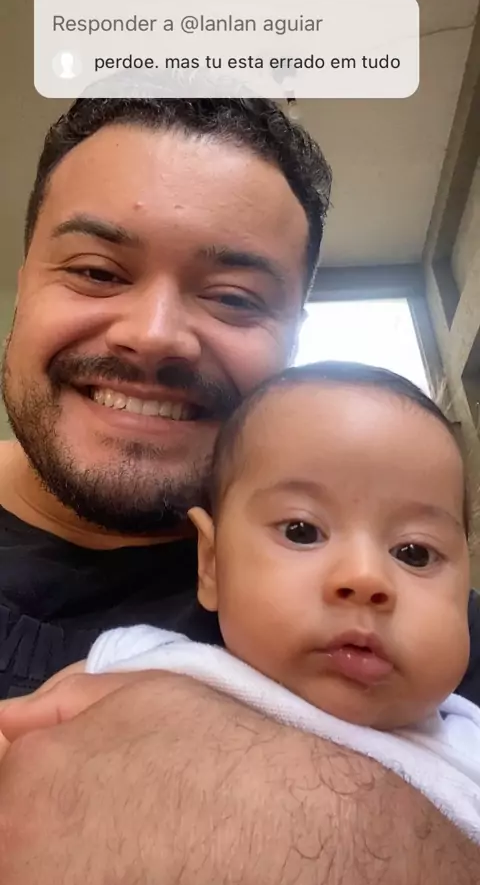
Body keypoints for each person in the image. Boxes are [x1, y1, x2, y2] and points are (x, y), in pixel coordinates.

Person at [0, 97, 479, 885]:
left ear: (294, 337)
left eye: (232, 297)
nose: (154, 335)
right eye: (98, 272)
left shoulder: (424, 648)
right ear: (22, 284)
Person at [2, 362, 480, 844]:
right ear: (211, 563)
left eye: (415, 553)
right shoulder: (139, 671)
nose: (365, 578)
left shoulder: (470, 749)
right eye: (302, 531)